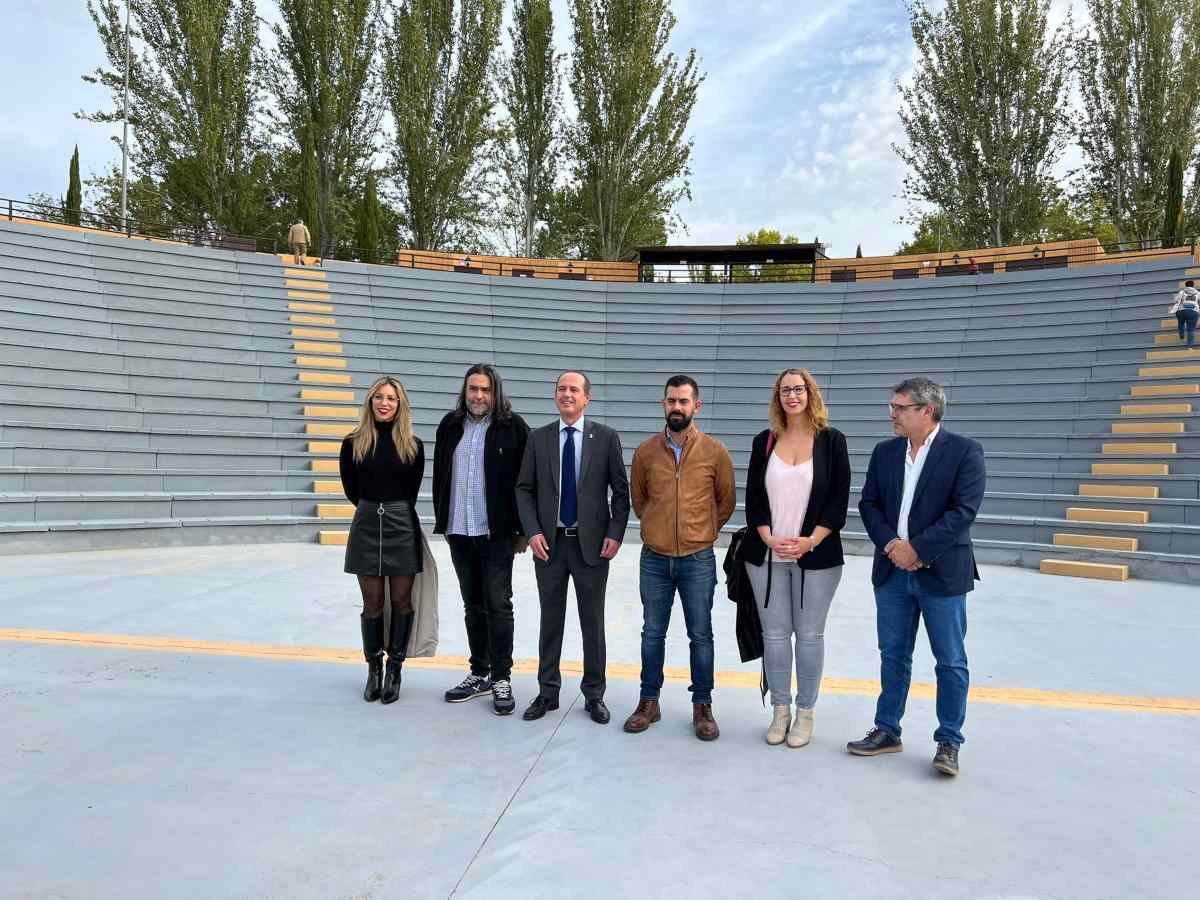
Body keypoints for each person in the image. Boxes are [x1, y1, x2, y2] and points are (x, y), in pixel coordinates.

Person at [849, 377, 986, 776]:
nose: (891, 414)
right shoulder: (885, 452)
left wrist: (918, 550)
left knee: (950, 660)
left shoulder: (964, 452)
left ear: (926, 411)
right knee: (893, 655)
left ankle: (948, 741)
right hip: (892, 572)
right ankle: (888, 729)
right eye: (892, 407)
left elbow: (964, 512)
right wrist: (893, 545)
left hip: (941, 573)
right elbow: (869, 504)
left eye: (899, 408)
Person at [739, 369, 850, 748]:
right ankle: (780, 711)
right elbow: (754, 498)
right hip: (767, 555)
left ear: (810, 394)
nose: (792, 396)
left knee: (808, 635)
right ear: (778, 397)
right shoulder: (765, 441)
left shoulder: (832, 441)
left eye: (798, 389)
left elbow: (838, 502)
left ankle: (805, 713)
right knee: (774, 636)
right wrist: (768, 538)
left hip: (816, 555)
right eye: (785, 390)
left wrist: (810, 541)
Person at [623, 375, 735, 742]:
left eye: (683, 401)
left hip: (697, 559)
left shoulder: (715, 452)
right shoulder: (645, 452)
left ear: (696, 407)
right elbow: (640, 502)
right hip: (654, 559)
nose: (677, 407)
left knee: (700, 635)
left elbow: (725, 502)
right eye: (671, 400)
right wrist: (658, 528)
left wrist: (701, 533)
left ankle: (702, 705)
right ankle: (648, 701)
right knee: (652, 633)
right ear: (663, 404)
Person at [515, 371, 630, 724]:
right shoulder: (539, 438)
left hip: (591, 547)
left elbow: (621, 493)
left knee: (591, 622)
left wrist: (615, 532)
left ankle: (594, 694)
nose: (567, 394)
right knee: (551, 621)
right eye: (562, 389)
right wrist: (532, 532)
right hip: (549, 546)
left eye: (574, 389)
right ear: (555, 396)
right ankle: (547, 691)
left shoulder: (606, 438)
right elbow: (524, 489)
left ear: (586, 398)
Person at [432, 364, 530, 716]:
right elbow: (440, 473)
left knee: (498, 604)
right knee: (472, 604)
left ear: (495, 393)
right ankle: (479, 673)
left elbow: (525, 481)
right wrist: (443, 518)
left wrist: (520, 530)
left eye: (485, 390)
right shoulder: (449, 425)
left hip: (496, 535)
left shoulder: (513, 427)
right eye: (473, 389)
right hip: (460, 530)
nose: (478, 396)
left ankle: (501, 677)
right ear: (465, 391)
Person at [340, 376, 430, 705]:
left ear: (400, 404)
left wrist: (389, 510)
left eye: (391, 398)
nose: (384, 402)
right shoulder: (353, 443)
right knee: (372, 603)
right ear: (370, 402)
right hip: (366, 522)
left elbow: (411, 489)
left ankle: (395, 668)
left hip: (401, 522)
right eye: (379, 396)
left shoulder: (413, 445)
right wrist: (372, 510)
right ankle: (373, 669)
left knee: (402, 602)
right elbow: (352, 489)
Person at [1169, 280, 1199, 348]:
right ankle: (1189, 346)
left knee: (1181, 323)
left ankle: (1182, 335)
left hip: (1181, 311)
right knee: (1191, 329)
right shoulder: (1198, 293)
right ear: (1193, 285)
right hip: (1193, 312)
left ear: (1186, 285)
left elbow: (1175, 300)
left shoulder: (1181, 292)